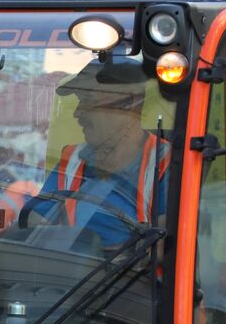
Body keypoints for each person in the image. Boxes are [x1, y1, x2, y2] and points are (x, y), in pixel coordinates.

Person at [22, 56, 170, 254]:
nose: (77, 113)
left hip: (132, 282)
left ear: (128, 103)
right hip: (66, 279)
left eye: (88, 102)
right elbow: (36, 224)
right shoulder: (73, 158)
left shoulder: (168, 162)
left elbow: (166, 247)